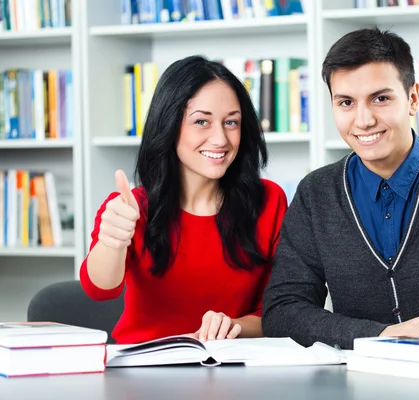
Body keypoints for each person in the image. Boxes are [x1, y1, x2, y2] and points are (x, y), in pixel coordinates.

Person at [262, 28, 419, 350]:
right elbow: (283, 312)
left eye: (380, 98)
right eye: (346, 103)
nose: (364, 120)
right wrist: (379, 335)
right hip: (364, 384)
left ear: (412, 98)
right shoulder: (317, 193)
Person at [80, 55, 288, 345]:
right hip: (144, 373)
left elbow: (281, 311)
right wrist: (111, 241)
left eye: (231, 122)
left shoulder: (269, 201)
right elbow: (100, 289)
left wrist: (231, 326)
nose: (220, 139)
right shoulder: (130, 206)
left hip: (231, 371)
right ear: (169, 125)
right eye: (201, 121)